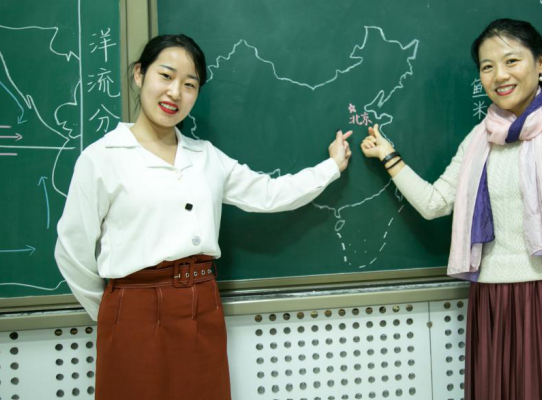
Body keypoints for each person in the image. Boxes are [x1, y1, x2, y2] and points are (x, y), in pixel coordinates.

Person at [55, 34, 353, 400]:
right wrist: (114, 312)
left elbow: (270, 194)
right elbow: (72, 251)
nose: (175, 93)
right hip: (132, 307)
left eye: (189, 84)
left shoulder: (206, 157)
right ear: (139, 74)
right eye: (166, 76)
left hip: (202, 302)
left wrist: (331, 167)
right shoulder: (102, 157)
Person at [361, 19, 542, 400]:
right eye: (487, 67)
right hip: (494, 302)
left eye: (511, 61)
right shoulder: (479, 139)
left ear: (540, 63)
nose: (499, 75)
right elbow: (435, 203)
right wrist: (389, 157)